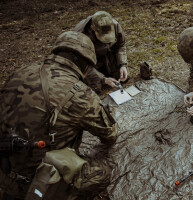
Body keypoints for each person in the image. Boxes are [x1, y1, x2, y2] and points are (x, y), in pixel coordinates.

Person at [0, 31, 118, 200]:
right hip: (37, 182)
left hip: (4, 172)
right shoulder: (81, 94)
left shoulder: (21, 72)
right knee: (102, 173)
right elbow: (110, 135)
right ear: (85, 65)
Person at [74, 11, 128, 94]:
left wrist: (123, 64)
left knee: (123, 77)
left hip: (109, 55)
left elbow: (120, 45)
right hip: (91, 60)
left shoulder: (115, 25)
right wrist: (103, 79)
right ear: (93, 28)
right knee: (96, 89)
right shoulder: (80, 36)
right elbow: (83, 65)